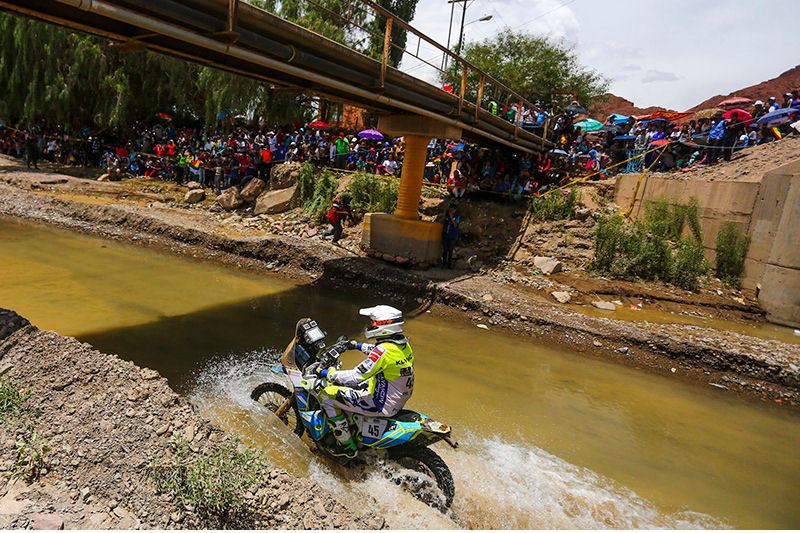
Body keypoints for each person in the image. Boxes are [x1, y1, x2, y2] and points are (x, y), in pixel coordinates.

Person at [316, 305, 414, 458]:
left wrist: (328, 373)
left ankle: (347, 446)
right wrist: (355, 345)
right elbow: (377, 352)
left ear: (384, 326)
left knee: (326, 395)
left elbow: (356, 375)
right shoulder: (402, 345)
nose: (371, 326)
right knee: (350, 387)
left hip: (379, 403)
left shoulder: (383, 352)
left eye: (374, 324)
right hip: (395, 399)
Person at [441, 203, 460, 268]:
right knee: (445, 250)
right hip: (445, 235)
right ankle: (443, 264)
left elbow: (455, 225)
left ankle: (449, 265)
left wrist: (451, 217)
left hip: (452, 236)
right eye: (450, 209)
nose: (450, 211)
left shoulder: (457, 216)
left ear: (455, 210)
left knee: (450, 250)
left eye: (452, 210)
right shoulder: (446, 215)